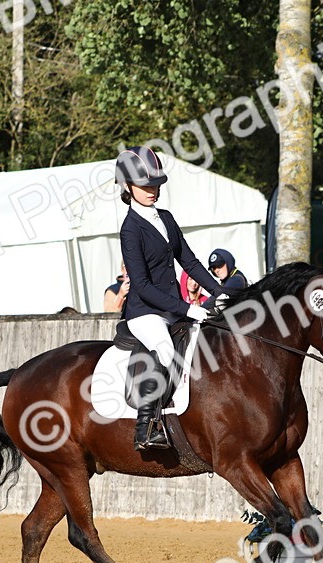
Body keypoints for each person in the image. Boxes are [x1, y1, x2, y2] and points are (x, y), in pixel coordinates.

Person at [116, 145, 226, 450]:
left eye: (156, 184)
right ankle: (145, 427)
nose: (152, 190)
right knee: (164, 349)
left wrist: (220, 291)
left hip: (172, 308)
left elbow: (188, 262)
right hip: (144, 312)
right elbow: (141, 284)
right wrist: (189, 309)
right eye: (145, 185)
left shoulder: (165, 218)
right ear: (128, 187)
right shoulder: (130, 229)